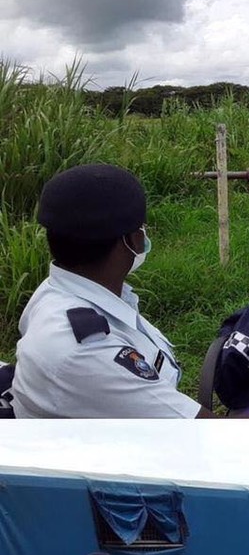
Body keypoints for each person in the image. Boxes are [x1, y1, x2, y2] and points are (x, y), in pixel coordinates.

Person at [12, 163, 208, 419]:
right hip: (130, 452)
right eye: (141, 229)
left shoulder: (58, 291)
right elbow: (208, 432)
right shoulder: (85, 351)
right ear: (130, 241)